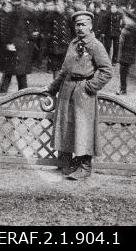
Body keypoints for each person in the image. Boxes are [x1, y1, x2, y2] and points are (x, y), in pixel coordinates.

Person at [42, 10, 113, 180]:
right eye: (77, 24)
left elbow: (107, 71)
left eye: (83, 24)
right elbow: (64, 70)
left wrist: (90, 86)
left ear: (90, 25)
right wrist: (52, 89)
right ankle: (69, 163)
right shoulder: (73, 44)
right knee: (67, 126)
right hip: (67, 89)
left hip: (83, 91)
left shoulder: (95, 45)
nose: (80, 28)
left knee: (84, 129)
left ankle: (84, 166)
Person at [0, 0, 33, 92]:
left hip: (12, 44)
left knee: (10, 69)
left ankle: (3, 90)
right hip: (23, 44)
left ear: (11, 0)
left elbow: (6, 30)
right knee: (20, 70)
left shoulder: (10, 13)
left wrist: (7, 43)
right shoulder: (27, 12)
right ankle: (23, 91)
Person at [116, 9, 136, 96]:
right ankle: (123, 88)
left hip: (128, 52)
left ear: (130, 19)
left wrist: (134, 52)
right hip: (126, 52)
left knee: (123, 71)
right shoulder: (128, 27)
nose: (124, 19)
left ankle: (123, 89)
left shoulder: (132, 29)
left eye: (125, 18)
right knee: (124, 71)